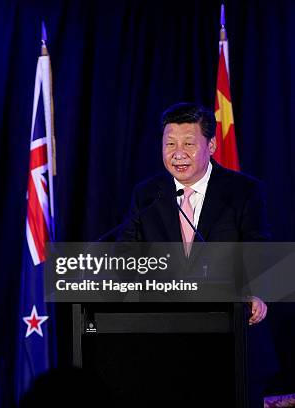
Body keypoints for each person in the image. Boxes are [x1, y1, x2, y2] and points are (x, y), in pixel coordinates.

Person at [117, 102, 276, 407]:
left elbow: (260, 248)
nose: (178, 153)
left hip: (232, 344)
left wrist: (255, 292)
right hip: (165, 347)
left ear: (212, 145)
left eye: (189, 144)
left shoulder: (243, 191)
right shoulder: (148, 193)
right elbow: (128, 253)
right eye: (170, 144)